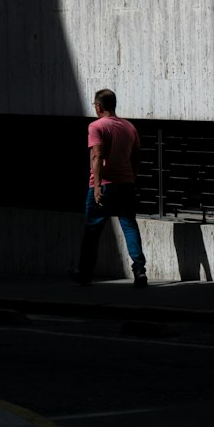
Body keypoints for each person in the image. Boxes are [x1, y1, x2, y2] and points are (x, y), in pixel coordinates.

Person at [72, 88, 147, 287]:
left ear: (98, 106)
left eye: (94, 105)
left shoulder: (96, 126)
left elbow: (97, 156)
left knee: (92, 232)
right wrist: (132, 177)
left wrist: (96, 186)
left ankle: (85, 273)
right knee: (130, 227)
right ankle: (139, 271)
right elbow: (137, 156)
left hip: (103, 186)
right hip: (126, 185)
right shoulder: (130, 127)